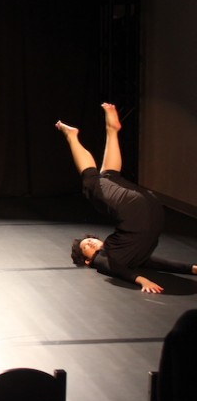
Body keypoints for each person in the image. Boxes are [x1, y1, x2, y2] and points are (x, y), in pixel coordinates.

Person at [57, 103, 197, 293]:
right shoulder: (103, 260)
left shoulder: (120, 251)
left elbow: (152, 263)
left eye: (90, 241)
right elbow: (118, 270)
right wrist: (142, 281)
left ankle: (111, 131)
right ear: (88, 260)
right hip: (145, 210)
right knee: (91, 184)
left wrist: (191, 269)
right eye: (86, 247)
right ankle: (72, 136)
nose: (90, 242)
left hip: (148, 208)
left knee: (108, 178)